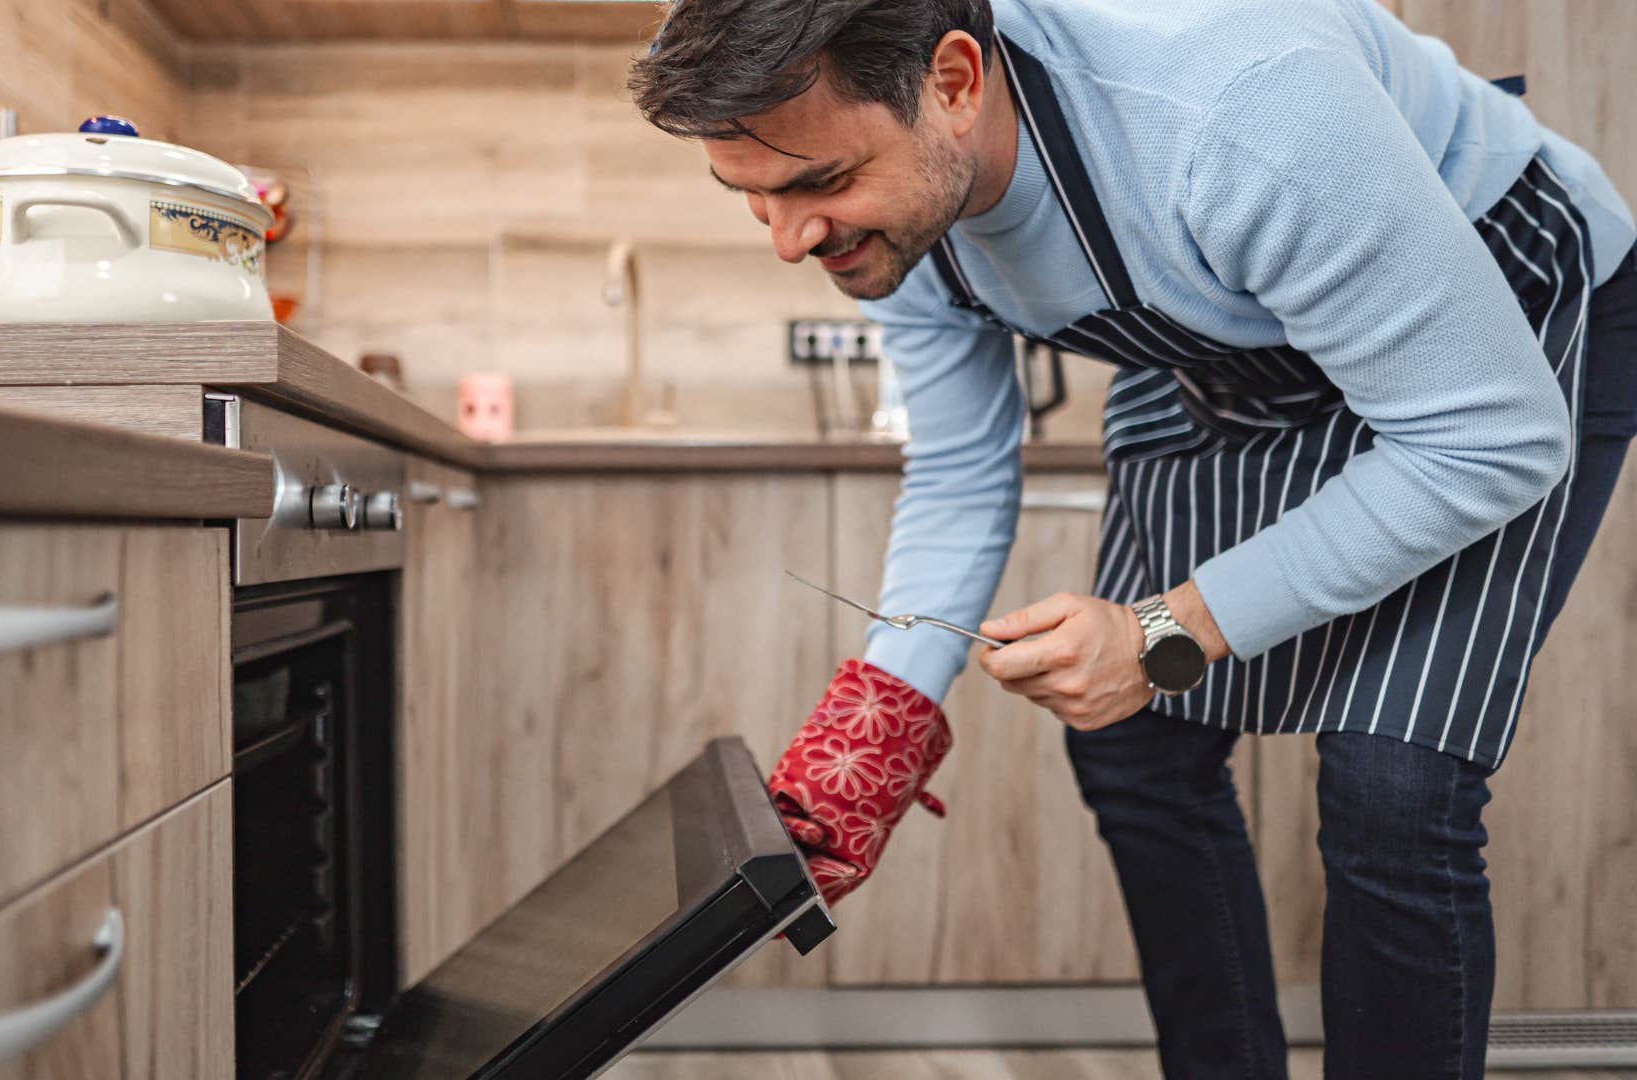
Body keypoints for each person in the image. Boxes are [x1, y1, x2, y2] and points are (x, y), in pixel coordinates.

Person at [629, 1, 1637, 1076]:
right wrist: (877, 726)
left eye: (818, 183)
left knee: (1393, 786)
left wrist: (1166, 630)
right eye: (751, 198)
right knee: (1131, 742)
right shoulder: (889, 213)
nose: (790, 241)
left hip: (1486, 330)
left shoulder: (1235, 112)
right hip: (1236, 338)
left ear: (955, 84)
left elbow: (1487, 439)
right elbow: (965, 472)